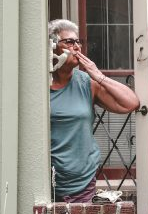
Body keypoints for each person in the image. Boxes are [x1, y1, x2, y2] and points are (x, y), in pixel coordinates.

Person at [49, 19, 140, 203]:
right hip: (45, 182)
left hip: (81, 182)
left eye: (78, 42)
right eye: (69, 42)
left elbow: (130, 103)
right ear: (52, 47)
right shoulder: (40, 84)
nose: (76, 47)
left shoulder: (87, 84)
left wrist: (99, 76)